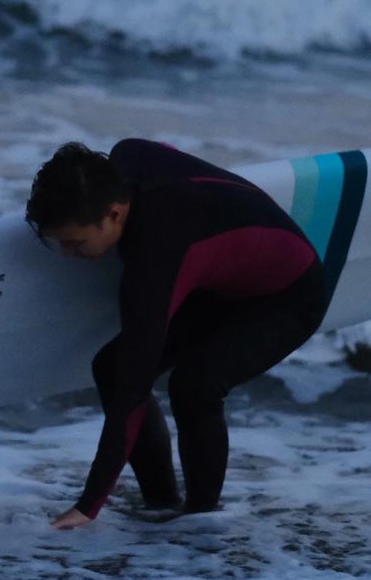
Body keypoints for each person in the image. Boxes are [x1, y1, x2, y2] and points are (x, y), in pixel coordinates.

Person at [24, 139, 326, 530]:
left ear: (114, 214)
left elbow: (132, 392)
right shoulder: (126, 158)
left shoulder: (156, 258)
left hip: (289, 295)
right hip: (218, 282)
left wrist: (88, 505)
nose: (67, 254)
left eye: (75, 243)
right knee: (112, 368)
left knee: (195, 384)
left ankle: (199, 521)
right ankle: (161, 504)